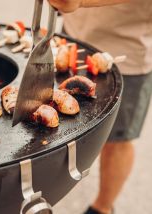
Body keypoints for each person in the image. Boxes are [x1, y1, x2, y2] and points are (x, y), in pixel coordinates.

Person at [49, 0, 152, 214]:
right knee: (64, 122)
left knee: (117, 140)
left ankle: (102, 208)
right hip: (74, 33)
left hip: (127, 50)